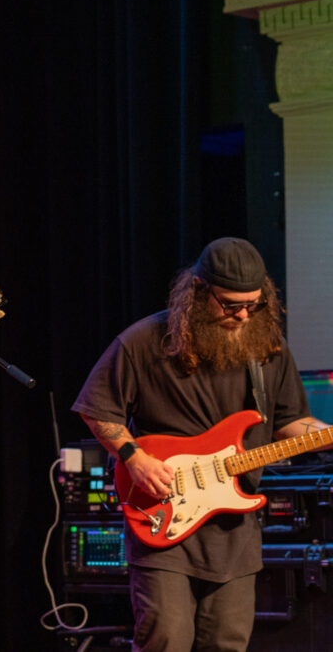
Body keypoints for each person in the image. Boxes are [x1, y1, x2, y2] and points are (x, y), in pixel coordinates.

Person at [72, 237, 329, 651]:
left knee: (227, 643)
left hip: (234, 530)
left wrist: (326, 435)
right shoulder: (143, 342)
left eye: (253, 304)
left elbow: (289, 422)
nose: (244, 314)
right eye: (230, 304)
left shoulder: (268, 349)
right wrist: (134, 458)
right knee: (166, 639)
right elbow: (97, 409)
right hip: (162, 517)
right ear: (198, 292)